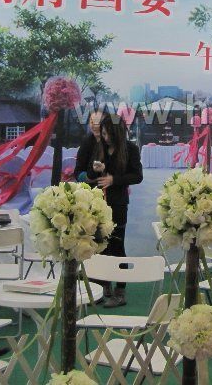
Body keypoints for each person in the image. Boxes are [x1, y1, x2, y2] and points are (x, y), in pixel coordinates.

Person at [80, 113, 142, 308]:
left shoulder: (130, 149)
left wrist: (114, 180)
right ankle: (102, 286)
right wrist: (96, 168)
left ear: (116, 133)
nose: (104, 137)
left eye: (107, 134)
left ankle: (120, 290)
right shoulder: (100, 147)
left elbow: (137, 176)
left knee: (117, 246)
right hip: (99, 203)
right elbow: (89, 173)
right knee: (100, 246)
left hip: (118, 204)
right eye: (103, 133)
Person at [74, 109, 104, 183]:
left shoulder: (114, 143)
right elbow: (78, 171)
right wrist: (88, 178)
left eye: (99, 122)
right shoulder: (87, 142)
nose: (95, 126)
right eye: (92, 122)